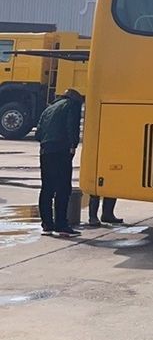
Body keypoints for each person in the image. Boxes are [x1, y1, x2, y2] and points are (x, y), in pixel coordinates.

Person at [35, 88, 84, 237]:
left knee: (47, 188)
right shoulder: (71, 106)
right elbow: (71, 127)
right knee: (63, 188)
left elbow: (38, 133)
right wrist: (72, 145)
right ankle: (61, 224)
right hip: (61, 150)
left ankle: (47, 224)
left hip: (45, 150)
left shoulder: (49, 108)